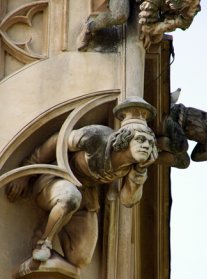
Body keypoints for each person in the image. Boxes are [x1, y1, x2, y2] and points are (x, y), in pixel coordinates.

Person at [5, 97, 157, 267]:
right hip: (56, 180)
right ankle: (43, 242)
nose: (146, 146)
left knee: (80, 258)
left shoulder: (133, 167)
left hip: (86, 194)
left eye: (151, 143)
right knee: (70, 197)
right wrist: (26, 172)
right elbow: (58, 141)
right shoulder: (97, 137)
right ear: (125, 139)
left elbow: (128, 200)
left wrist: (140, 172)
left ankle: (51, 244)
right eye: (141, 140)